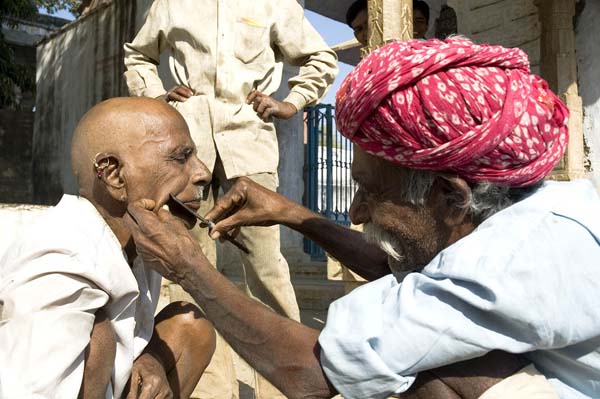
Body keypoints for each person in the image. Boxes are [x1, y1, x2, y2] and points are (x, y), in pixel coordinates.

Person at [125, 37, 600, 398]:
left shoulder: (509, 265)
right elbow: (425, 280)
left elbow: (309, 371)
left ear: (451, 197)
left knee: (438, 371)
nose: (354, 212)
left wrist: (189, 266)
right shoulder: (529, 214)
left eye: (371, 192)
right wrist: (293, 214)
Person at [123, 3, 338, 396]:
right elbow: (138, 54)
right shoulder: (171, 4)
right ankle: (207, 387)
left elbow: (320, 57)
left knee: (266, 268)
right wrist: (156, 96)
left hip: (249, 146)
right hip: (187, 150)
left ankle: (288, 384)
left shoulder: (275, 4)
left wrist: (293, 101)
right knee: (189, 265)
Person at [0, 98, 216, 398]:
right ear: (114, 175)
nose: (203, 173)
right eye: (181, 158)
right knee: (100, 335)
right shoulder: (64, 262)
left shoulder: (138, 237)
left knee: (191, 326)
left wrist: (150, 359)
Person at [347, 0, 430, 46]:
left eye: (370, 24)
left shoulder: (433, 52)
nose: (366, 32)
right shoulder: (362, 67)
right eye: (359, 29)